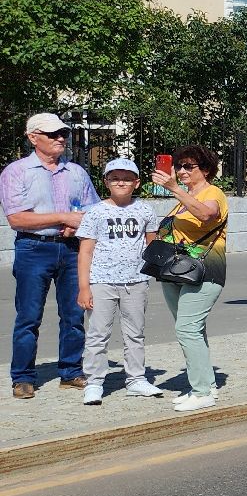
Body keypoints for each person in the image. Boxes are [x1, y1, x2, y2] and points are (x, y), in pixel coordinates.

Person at [4, 113, 98, 398]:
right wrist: (63, 217)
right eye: (53, 134)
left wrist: (75, 225)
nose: (60, 138)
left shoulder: (76, 172)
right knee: (29, 316)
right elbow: (17, 219)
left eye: (63, 134)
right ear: (33, 137)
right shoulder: (16, 172)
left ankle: (71, 371)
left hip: (71, 249)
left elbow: (93, 210)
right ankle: (22, 377)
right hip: (33, 248)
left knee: (74, 314)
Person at [75, 158, 161, 405]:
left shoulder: (145, 210)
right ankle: (94, 382)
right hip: (101, 281)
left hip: (136, 281)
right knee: (97, 334)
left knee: (135, 333)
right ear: (106, 182)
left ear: (136, 183)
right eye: (114, 178)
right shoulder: (96, 212)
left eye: (126, 178)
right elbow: (85, 251)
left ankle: (136, 379)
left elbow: (152, 246)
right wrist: (84, 287)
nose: (120, 183)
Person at [152, 145, 229, 412]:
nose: (182, 170)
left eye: (189, 166)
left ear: (205, 170)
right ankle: (207, 384)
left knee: (187, 329)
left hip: (205, 270)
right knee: (192, 329)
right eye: (179, 166)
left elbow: (207, 215)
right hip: (176, 271)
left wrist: (174, 187)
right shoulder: (183, 198)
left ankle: (202, 392)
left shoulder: (213, 193)